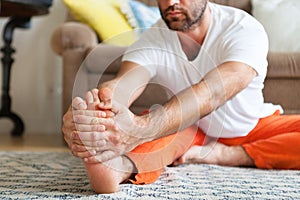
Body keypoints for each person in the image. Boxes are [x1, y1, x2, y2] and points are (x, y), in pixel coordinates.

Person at [62, 0, 300, 194]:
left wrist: (141, 129)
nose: (171, 3)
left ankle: (234, 155)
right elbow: (125, 83)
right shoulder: (153, 37)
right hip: (192, 127)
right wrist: (99, 112)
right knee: (157, 124)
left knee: (147, 125)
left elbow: (214, 90)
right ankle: (117, 167)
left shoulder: (244, 28)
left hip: (253, 125)